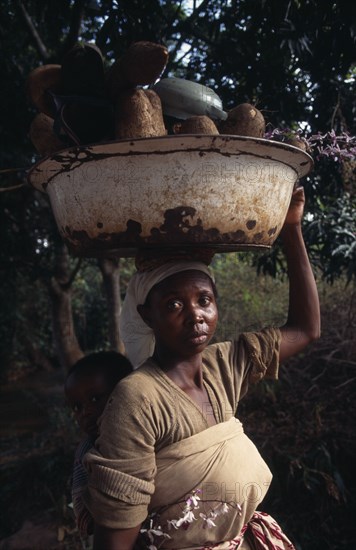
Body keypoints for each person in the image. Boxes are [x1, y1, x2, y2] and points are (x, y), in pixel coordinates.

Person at [83, 187, 320, 550]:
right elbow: (116, 533)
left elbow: (305, 330)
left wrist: (291, 228)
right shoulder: (138, 397)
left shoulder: (224, 364)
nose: (195, 315)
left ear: (216, 305)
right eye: (175, 304)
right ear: (148, 314)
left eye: (204, 300)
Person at [64, 350, 133, 548]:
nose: (85, 412)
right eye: (77, 407)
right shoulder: (86, 452)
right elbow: (84, 517)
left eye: (95, 399)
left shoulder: (150, 432)